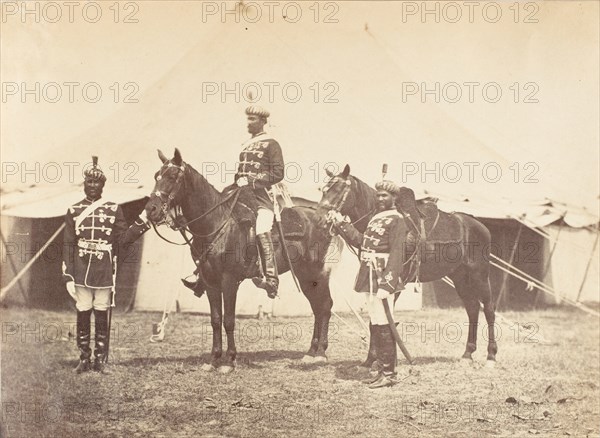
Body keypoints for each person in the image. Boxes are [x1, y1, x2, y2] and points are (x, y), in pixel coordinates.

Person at [182, 106, 284, 298]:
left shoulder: (272, 144)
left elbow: (278, 173)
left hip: (261, 197)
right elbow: (241, 172)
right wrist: (239, 181)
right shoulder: (246, 145)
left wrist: (253, 181)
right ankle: (201, 275)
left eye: (252, 119)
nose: (248, 123)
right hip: (240, 193)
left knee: (262, 227)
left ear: (262, 121)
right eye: (248, 119)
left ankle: (271, 277)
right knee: (216, 221)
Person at [62, 156, 150, 373]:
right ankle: (84, 357)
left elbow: (122, 240)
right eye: (89, 182)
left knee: (101, 310)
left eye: (97, 183)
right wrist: (69, 274)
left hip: (103, 268)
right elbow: (68, 244)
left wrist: (141, 225)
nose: (92, 186)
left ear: (103, 185)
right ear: (84, 184)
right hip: (81, 267)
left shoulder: (112, 209)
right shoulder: (74, 210)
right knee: (83, 310)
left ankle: (100, 359)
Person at [330, 180, 408, 388]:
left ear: (394, 199)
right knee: (376, 320)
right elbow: (362, 242)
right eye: (379, 195)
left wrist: (388, 284)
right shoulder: (375, 218)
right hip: (369, 274)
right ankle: (382, 370)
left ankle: (390, 374)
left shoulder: (397, 219)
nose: (380, 199)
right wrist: (341, 224)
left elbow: (397, 254)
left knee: (384, 322)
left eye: (385, 196)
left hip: (383, 276)